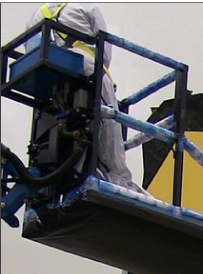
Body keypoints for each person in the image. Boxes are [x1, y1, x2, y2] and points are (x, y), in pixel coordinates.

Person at [25, 3, 151, 196]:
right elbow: (104, 53)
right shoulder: (85, 7)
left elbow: (30, 51)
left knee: (67, 128)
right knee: (109, 128)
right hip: (88, 70)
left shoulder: (35, 16)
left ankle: (75, 175)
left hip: (56, 86)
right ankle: (119, 181)